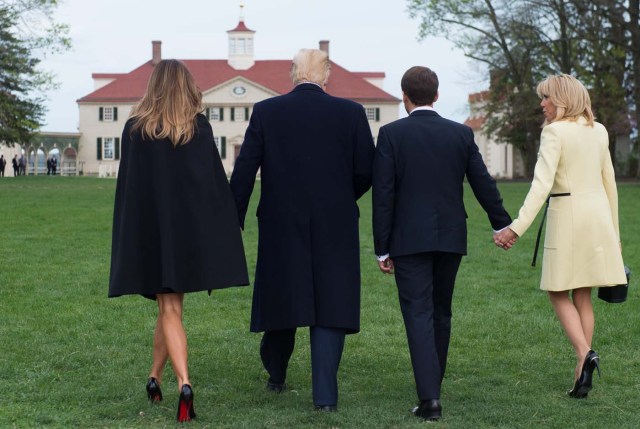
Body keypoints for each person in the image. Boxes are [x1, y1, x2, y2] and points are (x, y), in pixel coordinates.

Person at [230, 48, 374, 412]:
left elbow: (245, 168)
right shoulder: (351, 113)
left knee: (283, 295)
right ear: (326, 76)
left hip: (280, 220)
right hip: (336, 221)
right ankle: (325, 398)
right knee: (330, 302)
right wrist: (342, 197)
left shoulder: (266, 112)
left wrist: (234, 217)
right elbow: (366, 170)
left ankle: (276, 372)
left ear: (293, 74)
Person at [108, 59, 249, 422]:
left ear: (153, 86)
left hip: (152, 233)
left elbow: (131, 188)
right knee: (170, 308)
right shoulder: (198, 129)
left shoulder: (135, 129)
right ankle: (157, 378)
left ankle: (182, 381)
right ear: (186, 86)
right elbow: (212, 186)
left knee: (168, 308)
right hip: (186, 235)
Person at [372, 66, 512, 421]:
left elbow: (383, 195)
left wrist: (381, 248)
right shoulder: (460, 134)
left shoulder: (390, 134)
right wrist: (502, 224)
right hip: (450, 237)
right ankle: (433, 386)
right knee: (441, 312)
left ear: (405, 97)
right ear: (436, 95)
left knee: (419, 314)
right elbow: (483, 182)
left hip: (408, 239)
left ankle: (430, 398)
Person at [494, 74, 626, 398]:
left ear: (562, 100)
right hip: (598, 220)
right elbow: (611, 184)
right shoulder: (600, 130)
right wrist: (616, 236)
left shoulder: (554, 132)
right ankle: (582, 371)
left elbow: (540, 186)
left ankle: (585, 354)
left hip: (568, 216)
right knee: (581, 294)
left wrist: (515, 227)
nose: (542, 104)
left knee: (556, 292)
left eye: (546, 98)